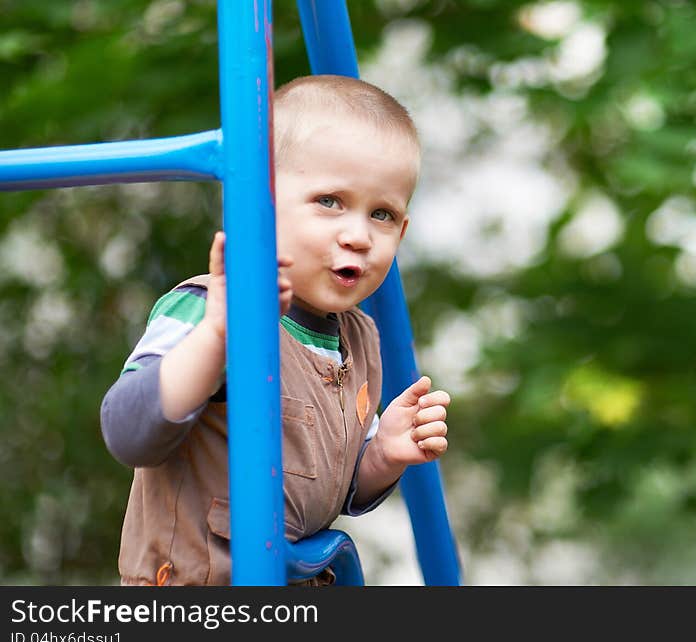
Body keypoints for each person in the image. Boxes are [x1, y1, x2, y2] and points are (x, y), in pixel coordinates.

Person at [100, 75, 450, 586]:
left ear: (402, 231)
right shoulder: (209, 307)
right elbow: (128, 433)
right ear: (262, 199)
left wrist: (381, 455)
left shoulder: (360, 339)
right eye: (330, 201)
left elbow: (333, 488)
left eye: (381, 214)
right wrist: (218, 337)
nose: (357, 235)